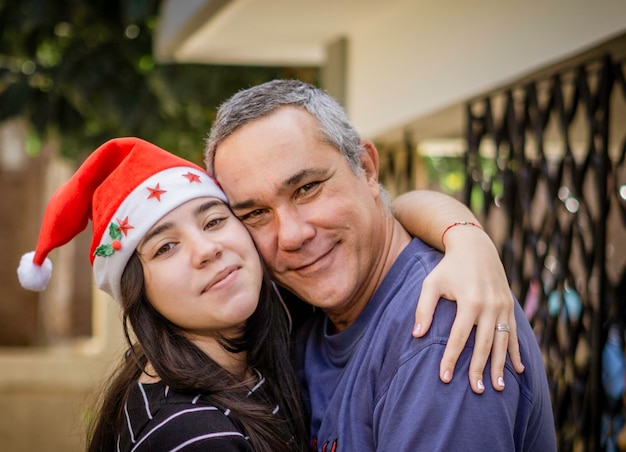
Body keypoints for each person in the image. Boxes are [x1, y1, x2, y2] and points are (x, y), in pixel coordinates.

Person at [204, 79, 557, 450]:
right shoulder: (297, 316)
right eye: (257, 213)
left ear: (367, 168)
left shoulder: (441, 327)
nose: (291, 235)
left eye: (307, 188)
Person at [17, 137, 308, 451]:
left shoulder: (272, 347)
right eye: (166, 247)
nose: (206, 250)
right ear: (138, 292)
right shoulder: (191, 434)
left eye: (214, 221)